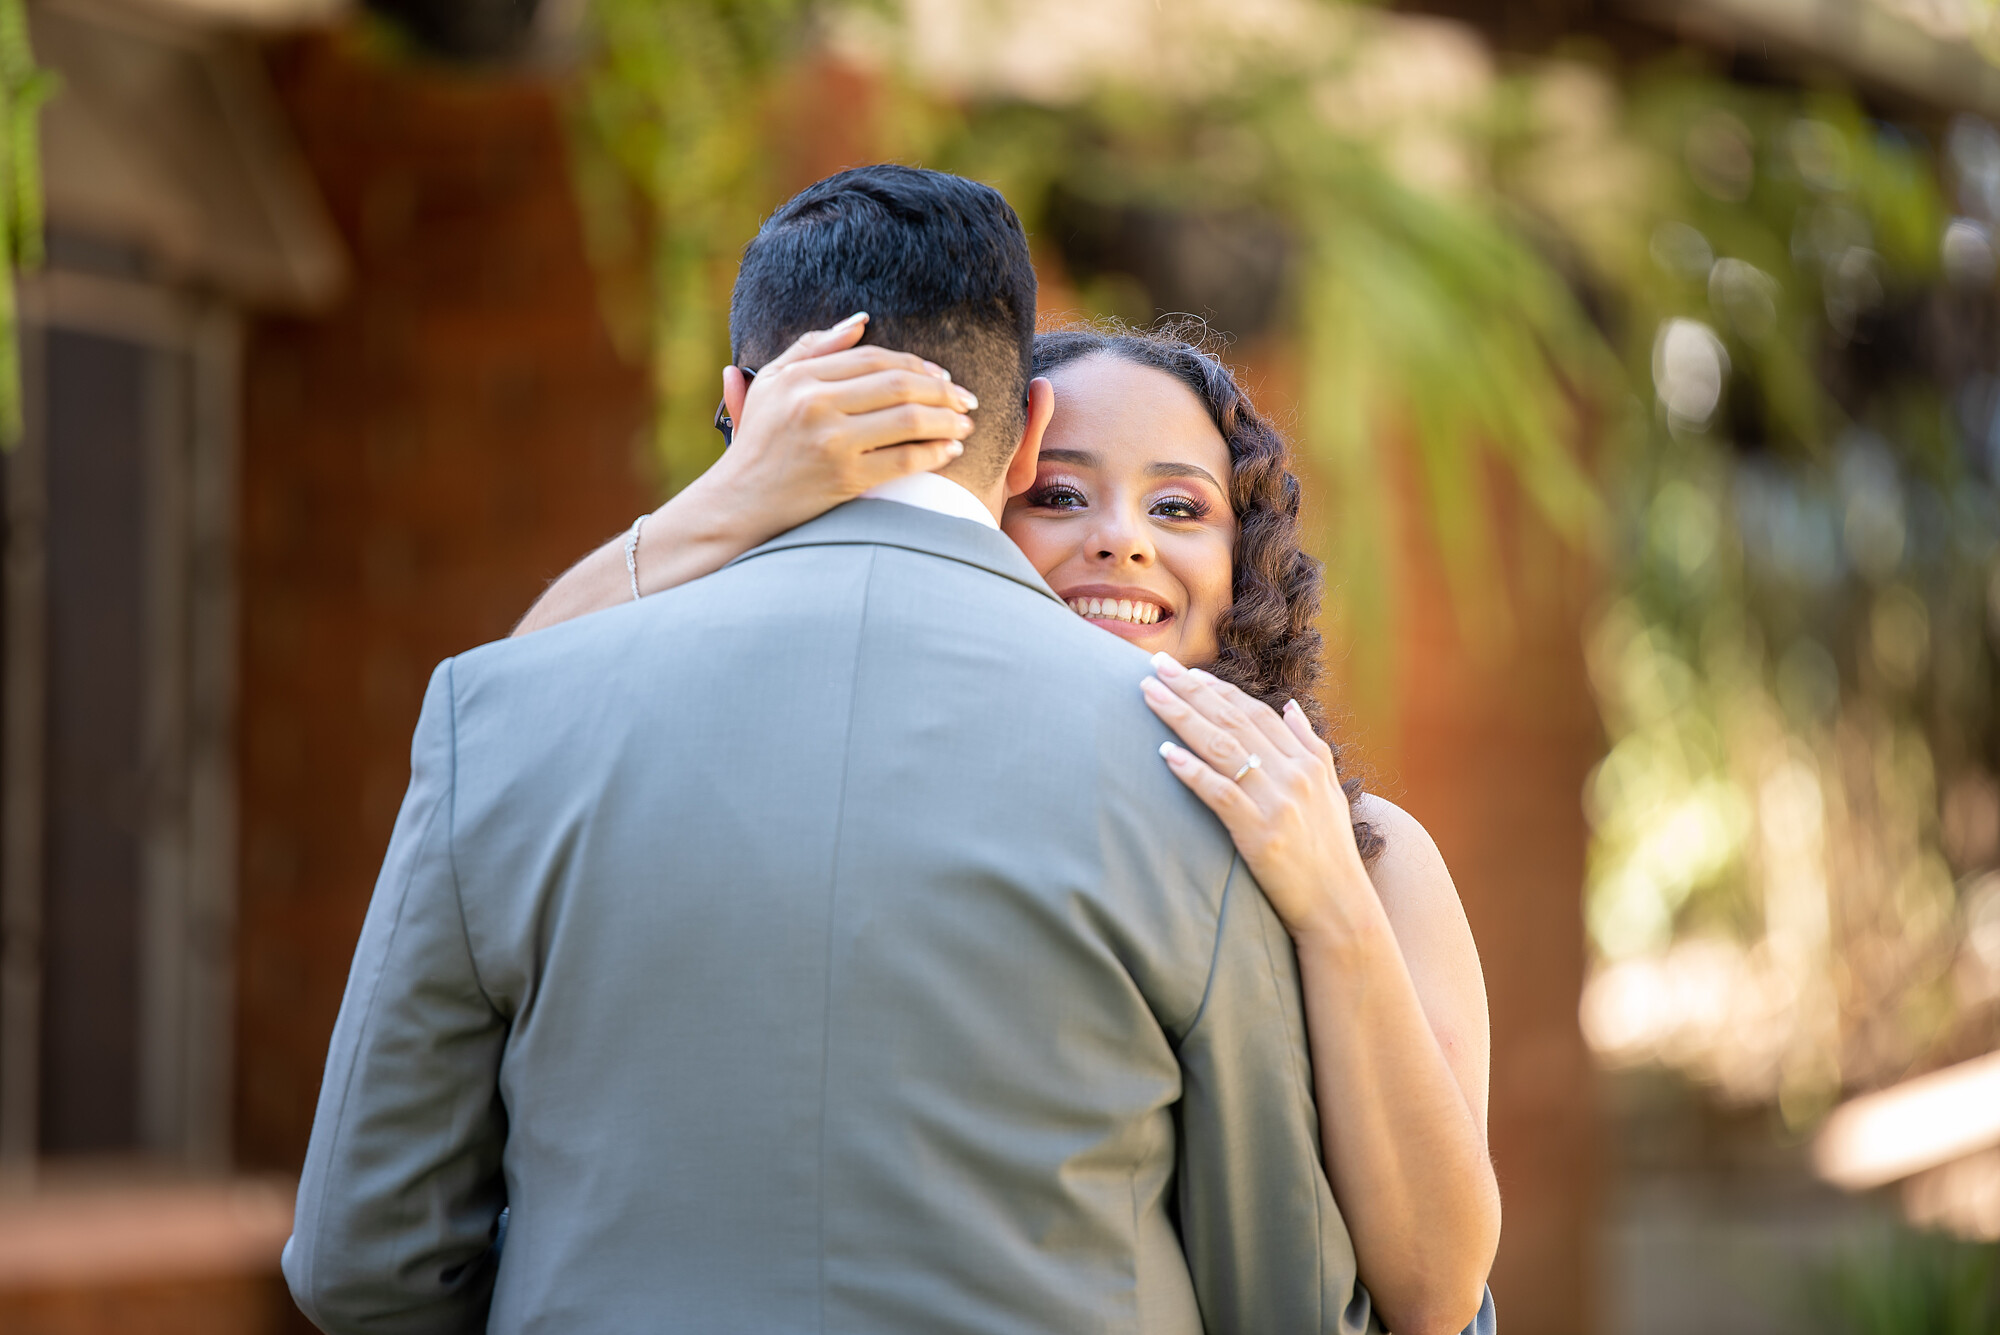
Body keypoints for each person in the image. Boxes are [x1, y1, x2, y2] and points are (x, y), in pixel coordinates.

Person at [283, 163, 1486, 1335]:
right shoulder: (1185, 804)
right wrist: (728, 500)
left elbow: (363, 1265)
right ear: (1016, 451)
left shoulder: (1285, 820)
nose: (1119, 546)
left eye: (1178, 507)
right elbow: (1284, 1300)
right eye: (1062, 498)